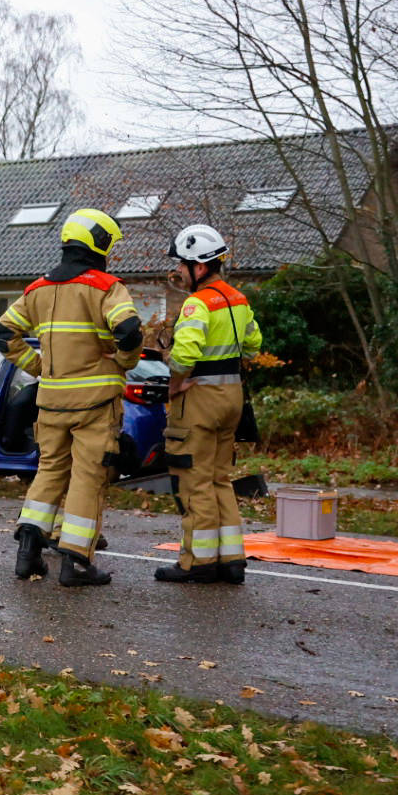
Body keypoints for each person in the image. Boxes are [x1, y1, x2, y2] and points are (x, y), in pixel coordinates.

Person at [0, 209, 143, 588]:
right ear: (100, 243)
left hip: (50, 402)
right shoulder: (107, 287)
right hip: (94, 403)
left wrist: (40, 366)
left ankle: (28, 553)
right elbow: (128, 330)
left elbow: (3, 334)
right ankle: (76, 563)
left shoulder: (36, 289)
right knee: (87, 478)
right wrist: (122, 363)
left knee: (49, 472)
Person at [156, 225, 264, 585]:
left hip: (199, 398)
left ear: (199, 267)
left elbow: (184, 356)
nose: (179, 273)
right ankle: (231, 561)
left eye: (182, 266)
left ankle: (197, 563)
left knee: (194, 479)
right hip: (232, 396)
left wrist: (174, 385)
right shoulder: (238, 299)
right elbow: (252, 346)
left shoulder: (196, 303)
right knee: (220, 478)